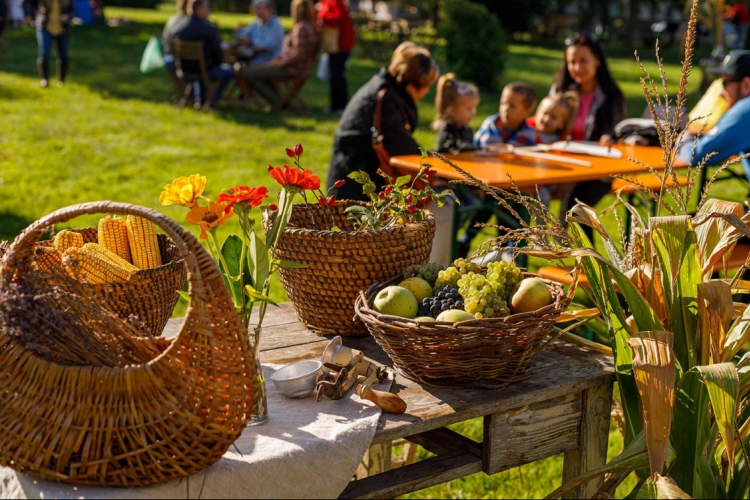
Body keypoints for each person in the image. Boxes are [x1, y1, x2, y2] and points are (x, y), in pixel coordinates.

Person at [326, 41, 439, 201]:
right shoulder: (386, 98)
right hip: (356, 187)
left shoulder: (382, 87)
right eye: (427, 86)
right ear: (413, 85)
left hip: (348, 176)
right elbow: (402, 145)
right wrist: (436, 166)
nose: (427, 92)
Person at [550, 32, 627, 234]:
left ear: (597, 60)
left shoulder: (611, 97)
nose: (577, 68)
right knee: (516, 195)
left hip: (597, 170)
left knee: (577, 211)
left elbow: (617, 135)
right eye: (572, 62)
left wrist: (609, 138)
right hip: (561, 165)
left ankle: (591, 264)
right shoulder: (560, 91)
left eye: (583, 61)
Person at [679, 50, 750, 183]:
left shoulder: (746, 109)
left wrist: (683, 140)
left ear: (747, 84)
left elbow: (696, 156)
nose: (720, 93)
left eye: (725, 84)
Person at [240, 0, 317, 111]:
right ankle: (277, 100)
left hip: (291, 69)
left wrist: (279, 63)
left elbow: (297, 55)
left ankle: (276, 101)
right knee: (254, 71)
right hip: (296, 67)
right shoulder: (309, 26)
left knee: (248, 74)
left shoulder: (300, 28)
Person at [171, 0, 234, 106]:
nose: (209, 11)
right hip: (205, 71)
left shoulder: (179, 27)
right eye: (207, 8)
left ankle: (197, 99)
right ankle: (211, 100)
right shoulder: (208, 28)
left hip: (183, 70)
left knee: (202, 72)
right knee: (228, 71)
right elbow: (217, 55)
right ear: (199, 9)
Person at [22, 0, 74, 87]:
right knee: (45, 52)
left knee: (63, 54)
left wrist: (67, 16)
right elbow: (26, 2)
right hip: (44, 26)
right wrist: (29, 15)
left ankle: (62, 80)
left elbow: (74, 10)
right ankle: (44, 79)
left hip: (62, 28)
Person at [318, 0, 356, 114]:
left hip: (341, 44)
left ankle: (341, 105)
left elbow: (338, 18)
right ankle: (335, 105)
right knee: (334, 75)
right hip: (334, 44)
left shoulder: (335, 1)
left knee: (338, 75)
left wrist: (322, 16)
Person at [473, 82, 538, 148]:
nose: (505, 109)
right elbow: (473, 145)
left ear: (527, 110)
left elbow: (531, 154)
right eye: (503, 103)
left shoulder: (528, 133)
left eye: (512, 106)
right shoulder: (490, 124)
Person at [432, 73, 480, 154]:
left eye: (473, 108)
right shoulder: (447, 128)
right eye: (469, 109)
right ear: (451, 110)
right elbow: (455, 148)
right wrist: (477, 149)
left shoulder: (466, 129)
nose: (473, 113)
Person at [237, 0, 284, 67]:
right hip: (255, 60)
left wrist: (250, 42)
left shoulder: (275, 25)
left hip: (271, 62)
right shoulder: (257, 23)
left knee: (244, 73)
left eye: (261, 9)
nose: (258, 12)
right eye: (256, 9)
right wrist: (240, 32)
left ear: (270, 9)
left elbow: (267, 45)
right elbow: (245, 34)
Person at [161, 0, 187, 71]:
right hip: (182, 62)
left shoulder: (172, 20)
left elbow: (165, 40)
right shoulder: (190, 24)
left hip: (169, 58)